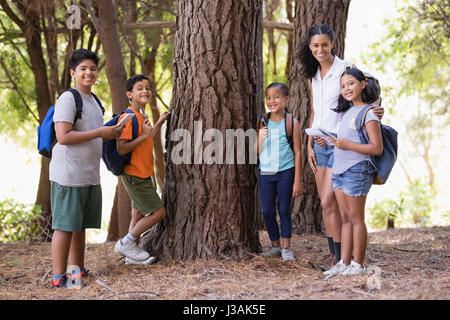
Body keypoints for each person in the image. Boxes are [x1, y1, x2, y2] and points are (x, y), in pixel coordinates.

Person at [299, 24, 384, 267]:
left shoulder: (345, 68)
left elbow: (367, 90)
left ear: (332, 44)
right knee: (327, 206)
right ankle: (335, 256)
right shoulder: (313, 74)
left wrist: (377, 109)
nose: (320, 49)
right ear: (310, 47)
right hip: (318, 143)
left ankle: (342, 258)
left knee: (328, 201)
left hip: (341, 145)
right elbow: (315, 110)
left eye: (324, 44)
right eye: (315, 45)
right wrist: (308, 146)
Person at [50, 49, 123, 288]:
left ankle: (76, 272)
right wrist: (101, 133)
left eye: (92, 68)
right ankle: (59, 277)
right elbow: (63, 136)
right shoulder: (68, 99)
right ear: (73, 73)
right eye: (82, 69)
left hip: (88, 174)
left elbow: (94, 135)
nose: (88, 72)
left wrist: (112, 131)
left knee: (79, 225)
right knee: (65, 226)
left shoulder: (94, 101)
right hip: (68, 173)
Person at [324, 67, 382, 276]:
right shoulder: (346, 112)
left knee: (356, 218)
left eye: (351, 84)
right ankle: (344, 262)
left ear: (363, 83)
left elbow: (376, 148)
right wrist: (332, 142)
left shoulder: (369, 113)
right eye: (343, 86)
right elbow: (345, 143)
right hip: (339, 170)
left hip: (357, 170)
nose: (346, 88)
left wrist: (346, 144)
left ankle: (358, 264)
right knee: (346, 217)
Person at [113, 74, 170, 264]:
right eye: (139, 88)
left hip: (145, 173)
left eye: (147, 87)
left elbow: (146, 139)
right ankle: (126, 243)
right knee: (159, 213)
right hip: (134, 174)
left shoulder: (142, 115)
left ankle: (132, 255)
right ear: (129, 94)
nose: (145, 91)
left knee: (137, 213)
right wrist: (144, 134)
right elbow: (122, 148)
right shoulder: (127, 118)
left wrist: (159, 122)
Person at [255, 82, 303, 261]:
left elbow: (298, 152)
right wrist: (259, 139)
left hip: (286, 172)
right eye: (268, 97)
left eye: (276, 97)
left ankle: (286, 248)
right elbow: (255, 151)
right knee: (267, 210)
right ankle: (275, 244)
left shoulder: (292, 123)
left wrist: (298, 180)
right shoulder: (263, 121)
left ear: (286, 99)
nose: (271, 101)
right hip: (266, 172)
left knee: (284, 209)